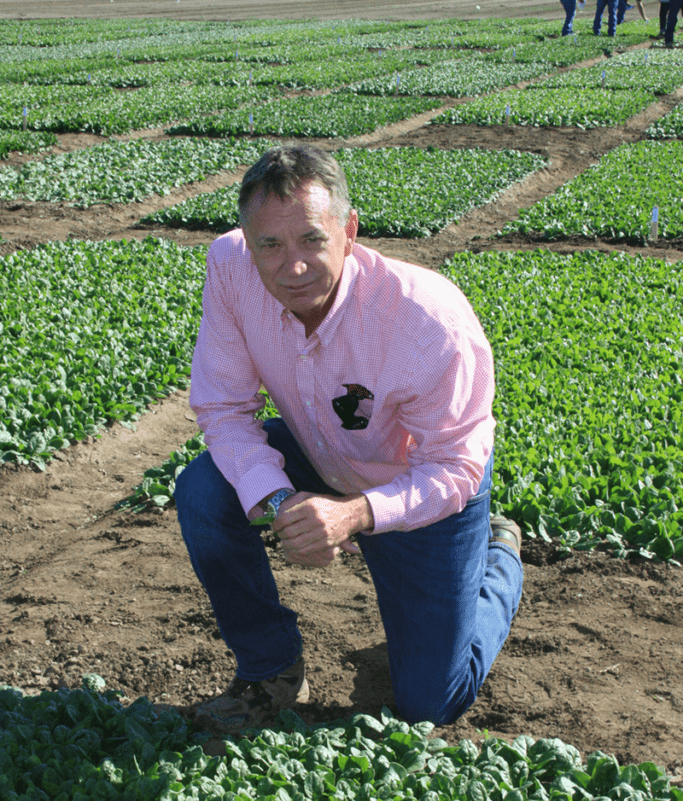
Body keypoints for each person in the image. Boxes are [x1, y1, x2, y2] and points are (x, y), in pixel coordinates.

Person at [174, 144, 523, 734]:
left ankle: (500, 556)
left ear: (349, 231)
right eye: (270, 245)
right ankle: (271, 668)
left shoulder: (426, 319)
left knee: (430, 705)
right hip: (319, 451)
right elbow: (224, 408)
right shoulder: (231, 268)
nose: (293, 266)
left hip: (422, 483)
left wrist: (354, 516)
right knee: (204, 491)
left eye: (312, 239)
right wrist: (284, 503)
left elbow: (454, 466)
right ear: (246, 239)